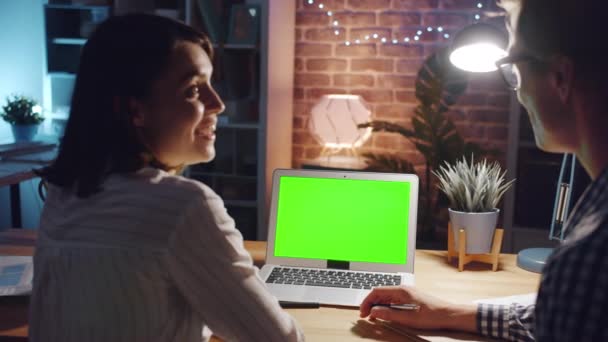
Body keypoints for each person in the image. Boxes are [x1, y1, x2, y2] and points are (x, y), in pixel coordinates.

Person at [30, 13, 303, 342]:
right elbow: (278, 339)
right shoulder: (183, 205)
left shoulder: (63, 191)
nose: (217, 104)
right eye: (193, 90)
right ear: (135, 111)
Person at [359, 0, 608, 341]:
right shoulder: (595, 220)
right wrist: (448, 312)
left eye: (513, 67)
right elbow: (559, 311)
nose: (517, 92)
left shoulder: (590, 258)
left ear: (561, 78)